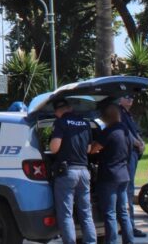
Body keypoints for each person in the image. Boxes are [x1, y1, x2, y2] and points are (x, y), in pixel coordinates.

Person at [50, 99, 96, 244]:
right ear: (70, 107)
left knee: (66, 215)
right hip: (84, 171)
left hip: (67, 173)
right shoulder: (85, 123)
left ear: (58, 111)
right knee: (86, 213)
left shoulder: (61, 122)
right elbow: (88, 149)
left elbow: (54, 148)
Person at [91, 103, 134, 244]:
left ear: (105, 117)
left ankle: (111, 242)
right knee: (123, 212)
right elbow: (129, 152)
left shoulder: (108, 132)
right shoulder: (126, 131)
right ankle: (129, 241)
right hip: (123, 175)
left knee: (110, 213)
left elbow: (93, 149)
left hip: (109, 176)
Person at [118, 95, 146, 238]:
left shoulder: (128, 114)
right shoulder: (120, 113)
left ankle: (127, 225)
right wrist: (138, 143)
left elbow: (135, 132)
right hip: (128, 154)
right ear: (119, 99)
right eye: (126, 97)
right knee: (128, 190)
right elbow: (127, 133)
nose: (130, 99)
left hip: (133, 154)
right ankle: (129, 226)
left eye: (132, 97)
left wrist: (141, 142)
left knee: (128, 189)